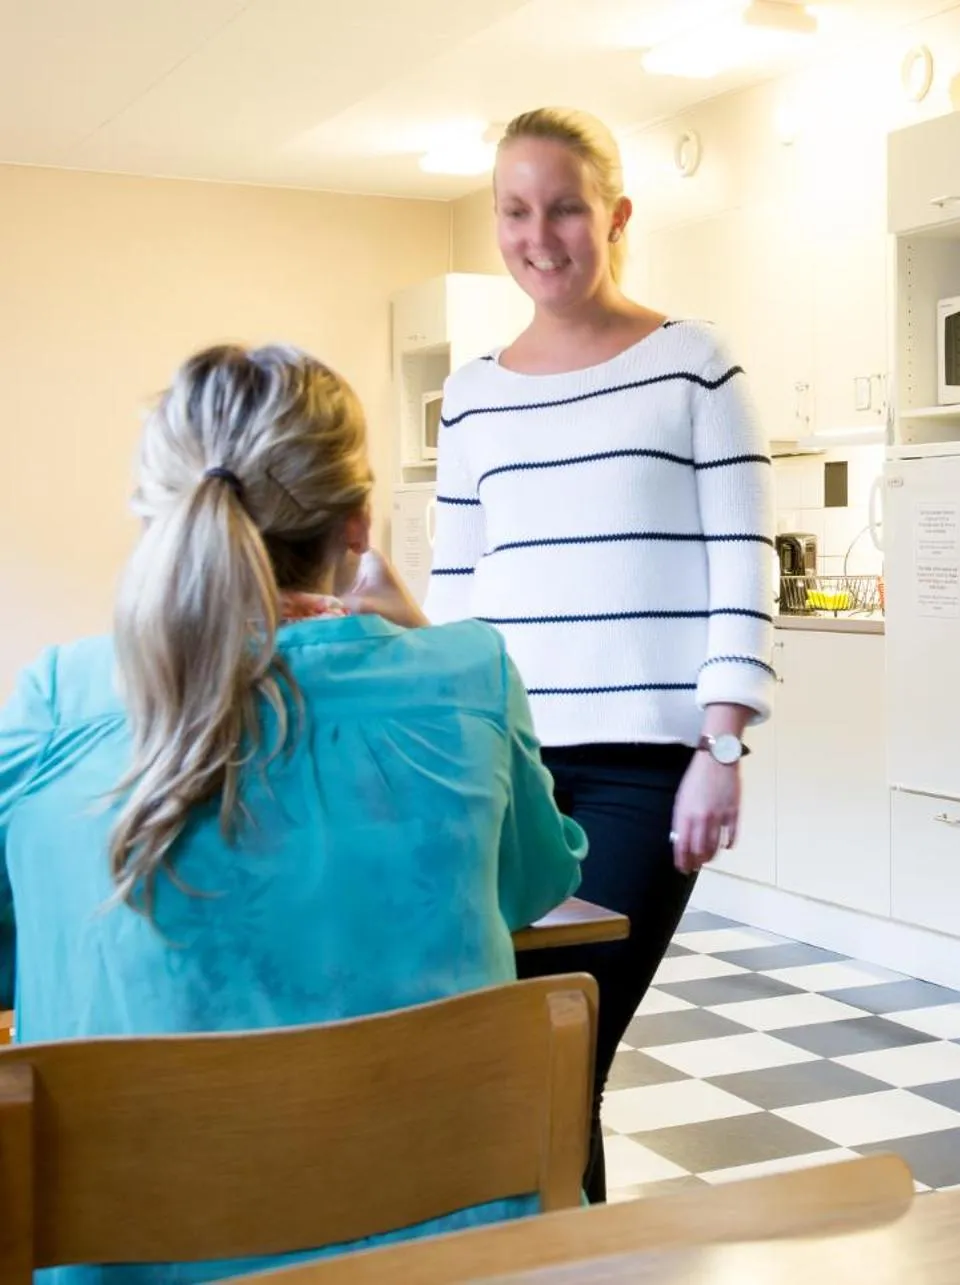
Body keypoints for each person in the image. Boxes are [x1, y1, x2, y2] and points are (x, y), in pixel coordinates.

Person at [0, 343, 589, 1281]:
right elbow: (531, 883)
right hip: (456, 1255)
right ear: (359, 525)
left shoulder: (54, 701)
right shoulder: (469, 674)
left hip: (138, 1258)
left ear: (153, 515)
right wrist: (421, 643)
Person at [425, 106, 775, 1203]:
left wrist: (722, 744)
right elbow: (455, 588)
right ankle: (567, 1257)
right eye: (515, 211)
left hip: (640, 772)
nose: (540, 236)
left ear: (616, 216)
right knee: (524, 1055)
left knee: (560, 1050)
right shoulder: (472, 395)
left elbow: (743, 558)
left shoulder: (694, 365)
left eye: (565, 208)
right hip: (502, 767)